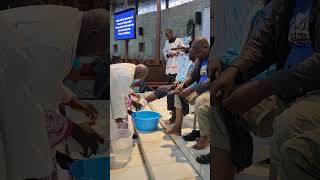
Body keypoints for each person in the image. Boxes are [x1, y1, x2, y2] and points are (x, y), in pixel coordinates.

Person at [211, 0, 320, 179]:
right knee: (217, 103)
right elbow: (260, 46)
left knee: (287, 125)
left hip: (312, 92)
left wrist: (263, 87)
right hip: (283, 90)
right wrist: (234, 71)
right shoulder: (282, 5)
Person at [0, 6, 108, 180]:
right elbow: (32, 113)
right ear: (93, 34)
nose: (98, 54)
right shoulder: (58, 47)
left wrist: (72, 100)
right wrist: (72, 129)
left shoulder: (65, 18)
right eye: (101, 49)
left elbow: (34, 80)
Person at [164, 38, 210, 136]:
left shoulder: (214, 59)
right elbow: (192, 75)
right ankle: (177, 128)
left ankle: (205, 136)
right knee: (178, 93)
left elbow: (211, 81)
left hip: (208, 92)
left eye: (198, 53)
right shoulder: (199, 59)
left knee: (201, 102)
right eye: (196, 54)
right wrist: (183, 84)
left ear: (206, 47)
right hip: (198, 90)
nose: (197, 56)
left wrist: (192, 89)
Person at [110, 63, 148, 129]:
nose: (138, 80)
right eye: (140, 78)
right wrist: (132, 103)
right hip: (110, 81)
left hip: (113, 79)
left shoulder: (131, 67)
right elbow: (120, 96)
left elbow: (123, 86)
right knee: (120, 105)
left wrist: (133, 93)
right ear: (138, 73)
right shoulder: (128, 76)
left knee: (122, 104)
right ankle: (121, 127)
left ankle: (120, 123)